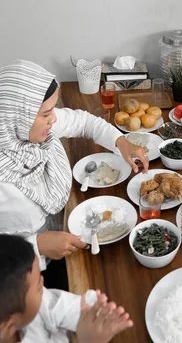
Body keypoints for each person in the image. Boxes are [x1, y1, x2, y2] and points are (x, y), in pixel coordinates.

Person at [0, 60, 149, 271]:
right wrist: (37, 246)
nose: (54, 119)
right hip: (23, 275)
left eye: (53, 110)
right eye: (46, 114)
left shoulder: (32, 128)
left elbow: (86, 122)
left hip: (70, 233)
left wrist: (121, 142)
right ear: (18, 117)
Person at [0, 234, 133, 342]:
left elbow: (56, 306)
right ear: (10, 327)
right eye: (39, 287)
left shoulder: (23, 301)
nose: (43, 281)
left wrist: (87, 314)